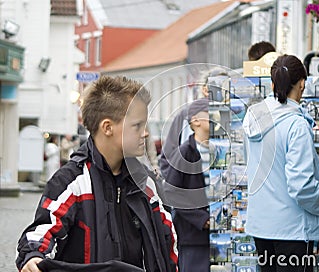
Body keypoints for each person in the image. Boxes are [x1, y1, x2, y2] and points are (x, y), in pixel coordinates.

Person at [16, 75, 178, 272]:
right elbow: (41, 231)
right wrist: (32, 256)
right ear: (107, 127)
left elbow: (169, 243)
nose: (145, 133)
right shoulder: (72, 182)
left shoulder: (146, 183)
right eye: (138, 125)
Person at [242, 54, 319, 272]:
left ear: (272, 83)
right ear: (302, 84)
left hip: (261, 225)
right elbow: (301, 186)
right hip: (293, 229)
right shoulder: (296, 126)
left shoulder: (253, 117)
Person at [163, 98, 210, 272]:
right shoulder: (184, 152)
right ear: (195, 121)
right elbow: (172, 192)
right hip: (192, 237)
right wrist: (201, 218)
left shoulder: (221, 152)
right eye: (210, 113)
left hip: (219, 236)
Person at [159, 67, 228, 179]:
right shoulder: (186, 115)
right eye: (220, 88)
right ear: (205, 90)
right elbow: (167, 156)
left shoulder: (233, 117)